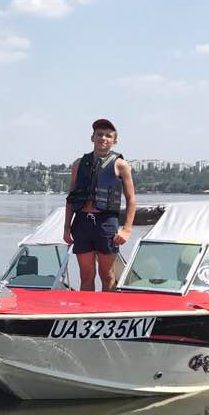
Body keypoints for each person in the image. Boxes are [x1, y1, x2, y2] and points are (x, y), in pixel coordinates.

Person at [63, 117, 137, 291]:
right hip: (82, 223)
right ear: (92, 137)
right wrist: (66, 228)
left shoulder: (121, 165)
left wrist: (126, 229)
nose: (103, 138)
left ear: (114, 141)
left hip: (106, 224)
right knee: (86, 276)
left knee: (107, 274)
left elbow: (131, 199)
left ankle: (107, 305)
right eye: (99, 134)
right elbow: (71, 198)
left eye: (108, 135)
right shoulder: (79, 164)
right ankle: (87, 307)